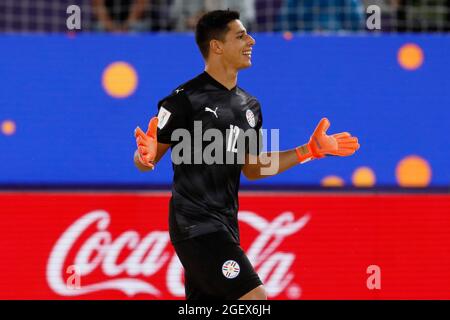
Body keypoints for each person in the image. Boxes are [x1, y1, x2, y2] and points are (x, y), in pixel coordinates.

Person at [134, 10, 360, 300]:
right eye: (241, 36)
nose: (251, 40)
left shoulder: (250, 106)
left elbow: (254, 168)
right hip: (195, 225)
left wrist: (310, 150)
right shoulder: (182, 100)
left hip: (226, 226)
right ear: (216, 46)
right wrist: (146, 156)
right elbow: (145, 161)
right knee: (254, 299)